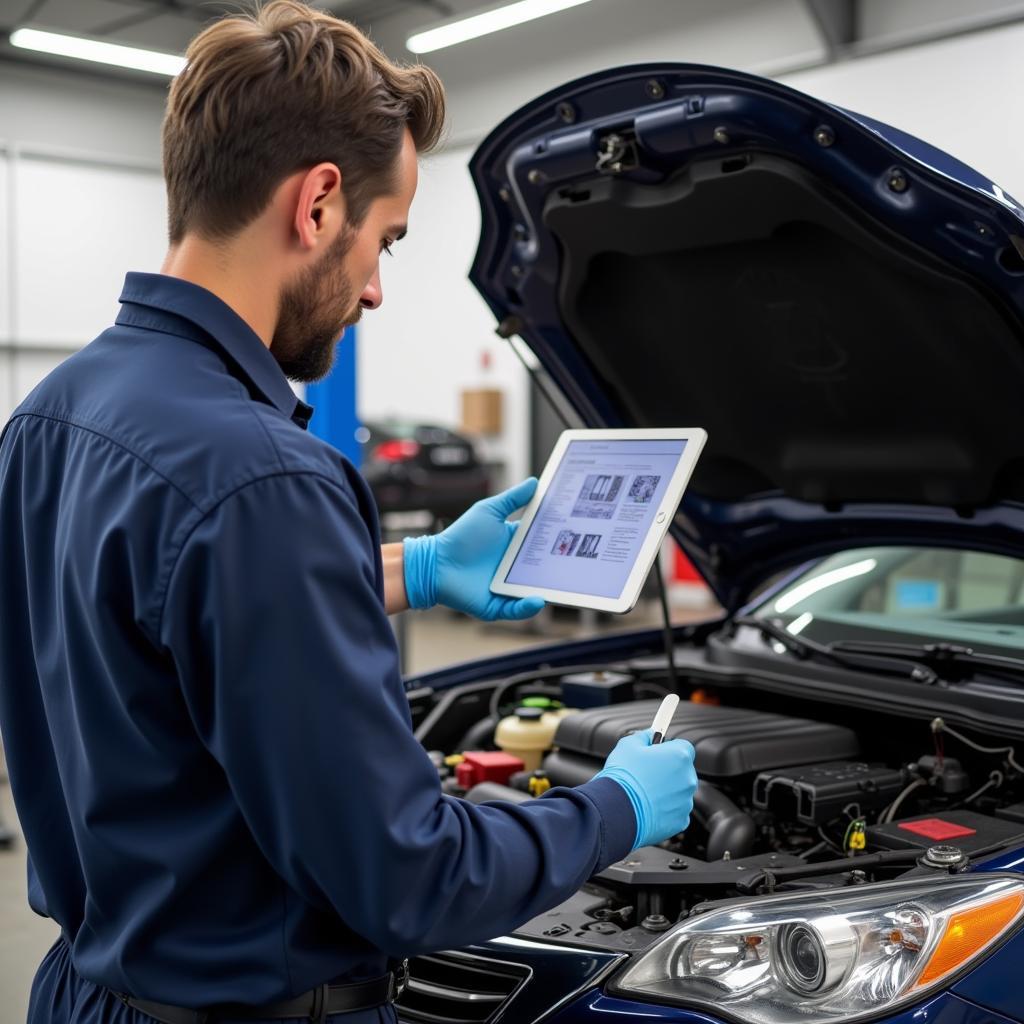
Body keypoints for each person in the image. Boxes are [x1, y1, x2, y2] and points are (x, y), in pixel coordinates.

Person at [0, 4, 698, 1023]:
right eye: (387, 240)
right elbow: (410, 877)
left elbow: (143, 612)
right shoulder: (265, 474)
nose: (374, 289)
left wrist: (413, 569)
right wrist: (615, 807)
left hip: (85, 988)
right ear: (319, 202)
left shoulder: (51, 416)